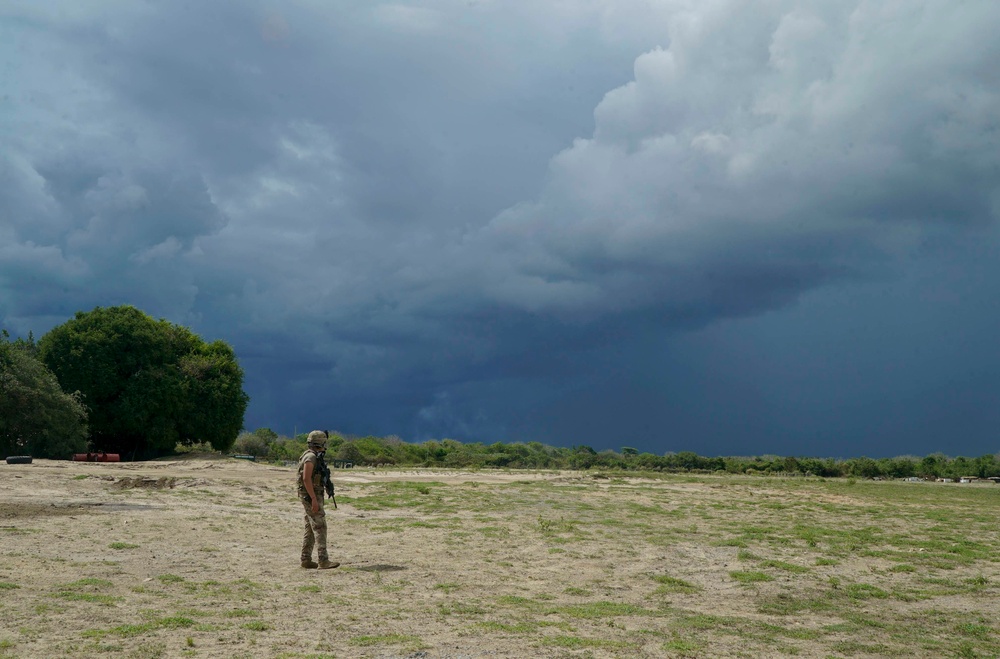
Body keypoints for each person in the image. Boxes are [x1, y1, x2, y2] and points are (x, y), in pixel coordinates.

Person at [297, 430, 339, 569]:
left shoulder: (312, 456)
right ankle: (323, 560)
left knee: (310, 527)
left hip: (311, 494)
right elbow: (306, 478)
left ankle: (306, 559)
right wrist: (314, 499)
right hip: (311, 495)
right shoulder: (310, 457)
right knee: (320, 526)